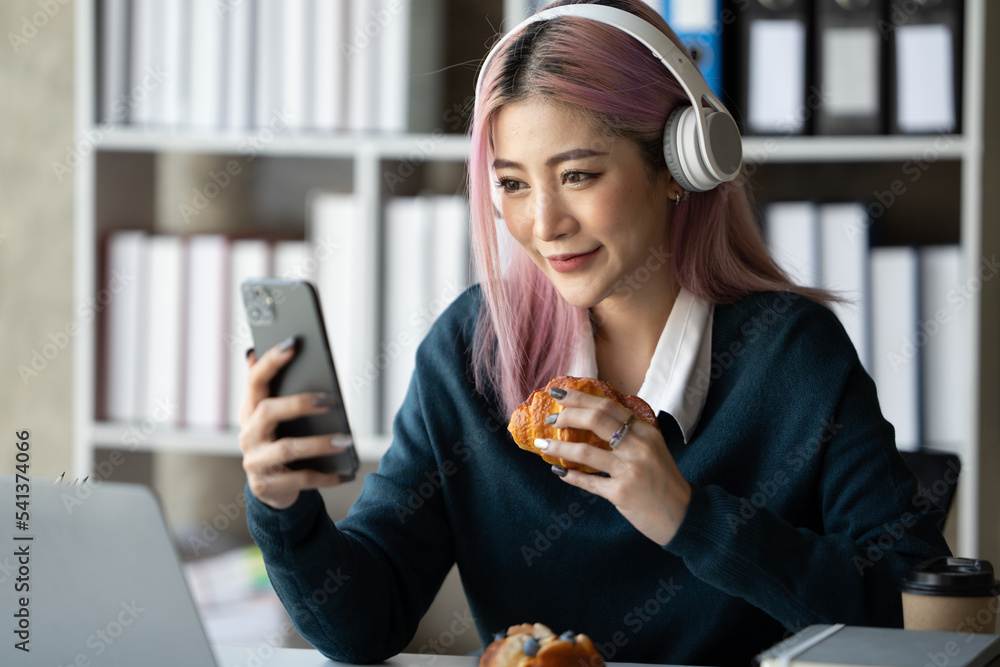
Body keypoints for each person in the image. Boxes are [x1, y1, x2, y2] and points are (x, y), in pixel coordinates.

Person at [238, 1, 951, 664]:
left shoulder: (794, 352)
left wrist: (686, 515)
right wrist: (282, 508)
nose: (542, 225)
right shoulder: (471, 349)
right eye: (513, 183)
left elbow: (905, 612)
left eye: (577, 175)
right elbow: (364, 624)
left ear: (677, 165)